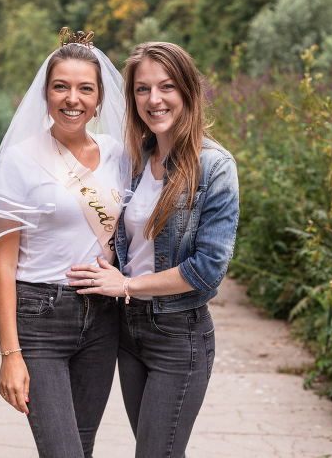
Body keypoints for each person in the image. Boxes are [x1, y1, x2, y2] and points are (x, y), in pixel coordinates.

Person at [66, 42, 240, 458]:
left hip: (178, 335)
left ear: (187, 92)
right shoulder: (135, 160)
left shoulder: (214, 166)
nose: (154, 99)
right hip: (129, 330)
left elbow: (207, 269)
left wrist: (127, 283)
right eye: (142, 89)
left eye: (166, 87)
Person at [0, 29, 130, 458]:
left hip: (102, 318)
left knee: (82, 447)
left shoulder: (119, 154)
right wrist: (10, 354)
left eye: (84, 89)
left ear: (99, 100)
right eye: (61, 86)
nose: (71, 98)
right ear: (45, 93)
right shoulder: (21, 159)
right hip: (40, 318)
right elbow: (3, 266)